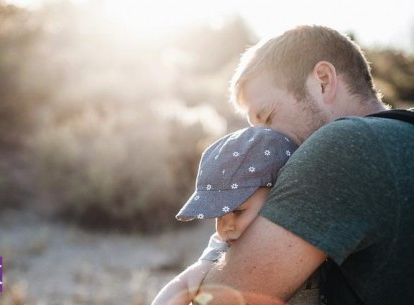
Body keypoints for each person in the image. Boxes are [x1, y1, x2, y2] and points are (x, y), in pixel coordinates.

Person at [194, 25, 414, 304]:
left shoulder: (343, 145)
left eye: (268, 116)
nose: (263, 140)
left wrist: (200, 270)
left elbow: (220, 300)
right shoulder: (401, 134)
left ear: (323, 80)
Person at [152, 126, 298, 305]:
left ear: (278, 195)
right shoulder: (224, 247)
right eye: (219, 215)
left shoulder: (302, 233)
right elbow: (183, 283)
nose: (226, 226)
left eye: (238, 211)